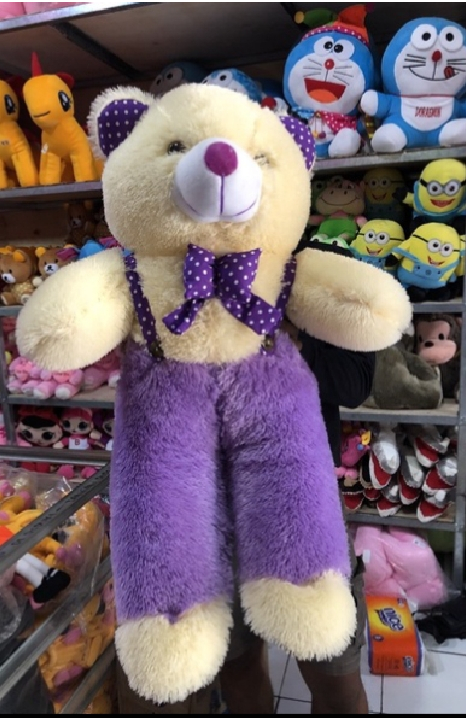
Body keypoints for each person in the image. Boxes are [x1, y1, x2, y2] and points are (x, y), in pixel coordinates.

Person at [115, 240, 376, 716]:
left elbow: (355, 383)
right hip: (201, 512)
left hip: (298, 502)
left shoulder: (310, 263)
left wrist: (273, 332)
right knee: (240, 670)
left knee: (334, 673)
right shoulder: (163, 269)